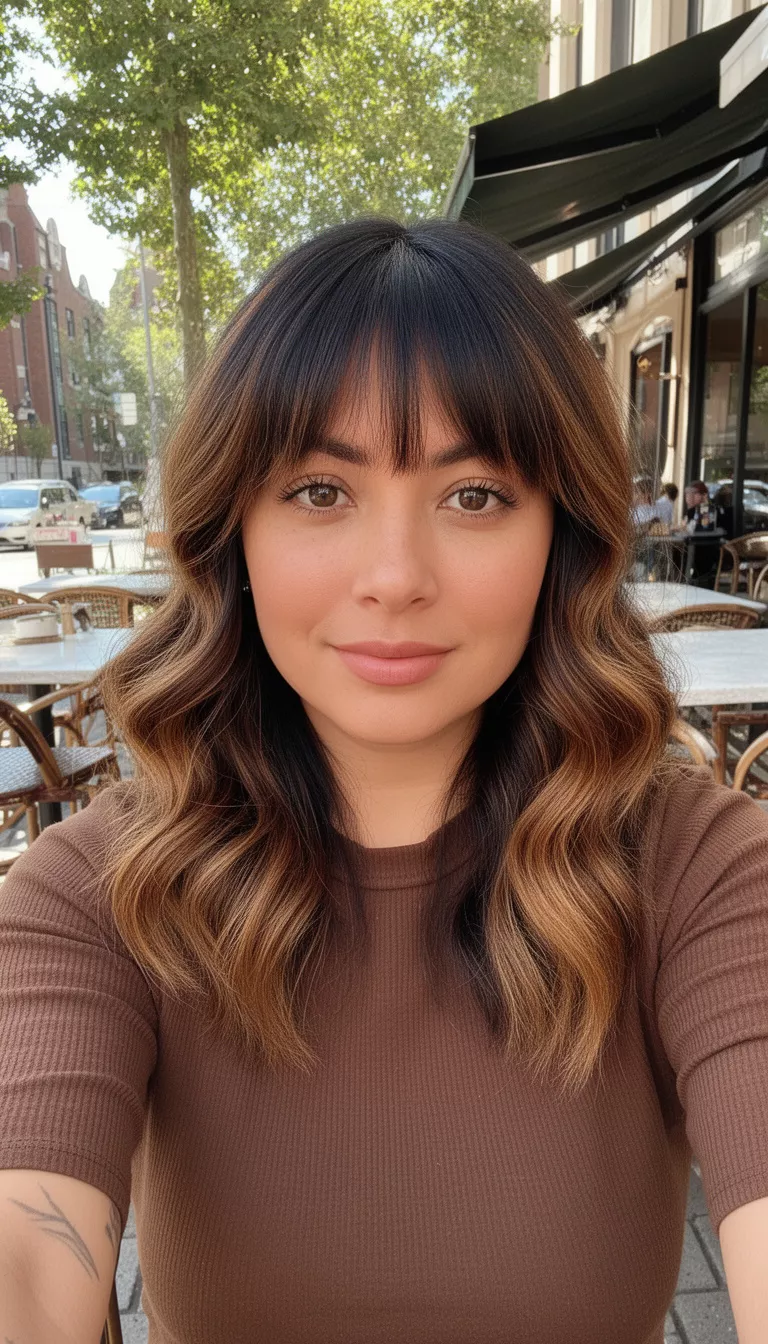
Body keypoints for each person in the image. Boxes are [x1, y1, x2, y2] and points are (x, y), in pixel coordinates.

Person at [1, 217, 768, 1344]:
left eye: (475, 496)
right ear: (235, 535)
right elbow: (27, 1245)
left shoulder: (698, 872)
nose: (396, 577)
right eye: (320, 490)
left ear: (562, 535)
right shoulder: (92, 894)